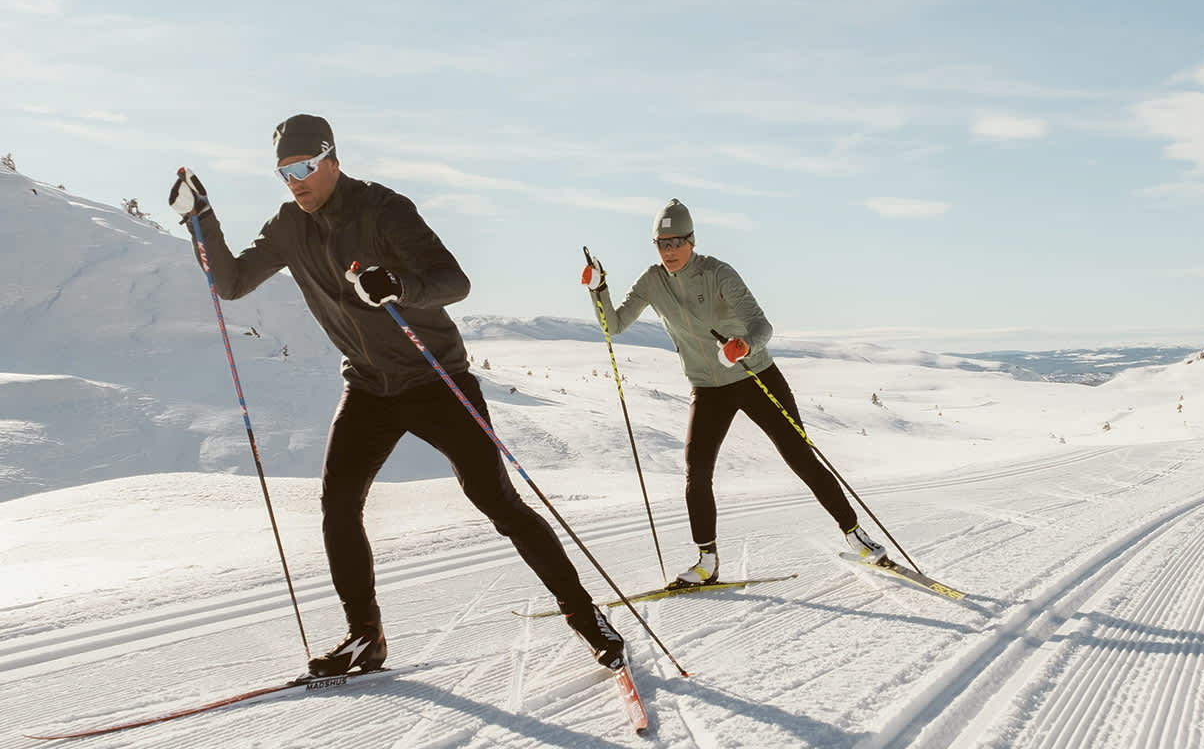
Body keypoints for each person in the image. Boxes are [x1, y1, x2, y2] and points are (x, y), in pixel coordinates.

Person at [169, 113, 625, 677]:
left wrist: (400, 285)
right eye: (285, 172)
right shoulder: (289, 225)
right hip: (368, 386)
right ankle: (366, 638)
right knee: (338, 505)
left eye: (307, 166)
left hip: (437, 380)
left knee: (496, 500)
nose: (297, 181)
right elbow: (231, 283)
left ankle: (588, 619)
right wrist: (203, 220)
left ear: (333, 158)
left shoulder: (384, 209)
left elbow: (454, 281)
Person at [582, 198, 886, 586]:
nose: (669, 251)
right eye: (662, 243)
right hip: (708, 388)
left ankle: (855, 534)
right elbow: (616, 324)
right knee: (697, 471)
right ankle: (706, 561)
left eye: (676, 242)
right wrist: (599, 289)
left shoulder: (717, 272)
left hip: (754, 376)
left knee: (799, 456)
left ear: (692, 240)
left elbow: (762, 326)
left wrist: (743, 346)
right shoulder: (651, 282)